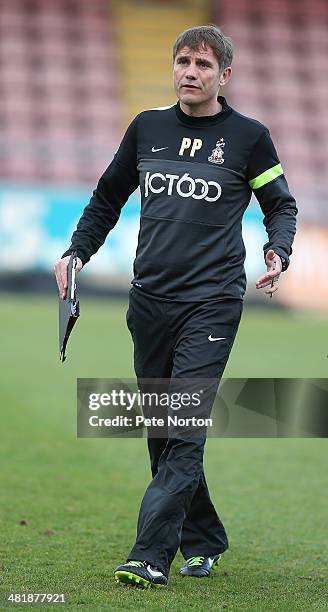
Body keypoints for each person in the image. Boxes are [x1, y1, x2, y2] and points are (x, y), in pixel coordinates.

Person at [54, 25, 297, 589]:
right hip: (149, 302)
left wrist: (277, 250)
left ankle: (151, 555)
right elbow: (108, 196)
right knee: (164, 430)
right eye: (183, 61)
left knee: (183, 426)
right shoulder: (147, 128)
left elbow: (280, 205)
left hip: (211, 305)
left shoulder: (249, 138)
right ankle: (206, 537)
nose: (191, 72)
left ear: (224, 76)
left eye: (204, 65)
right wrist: (77, 252)